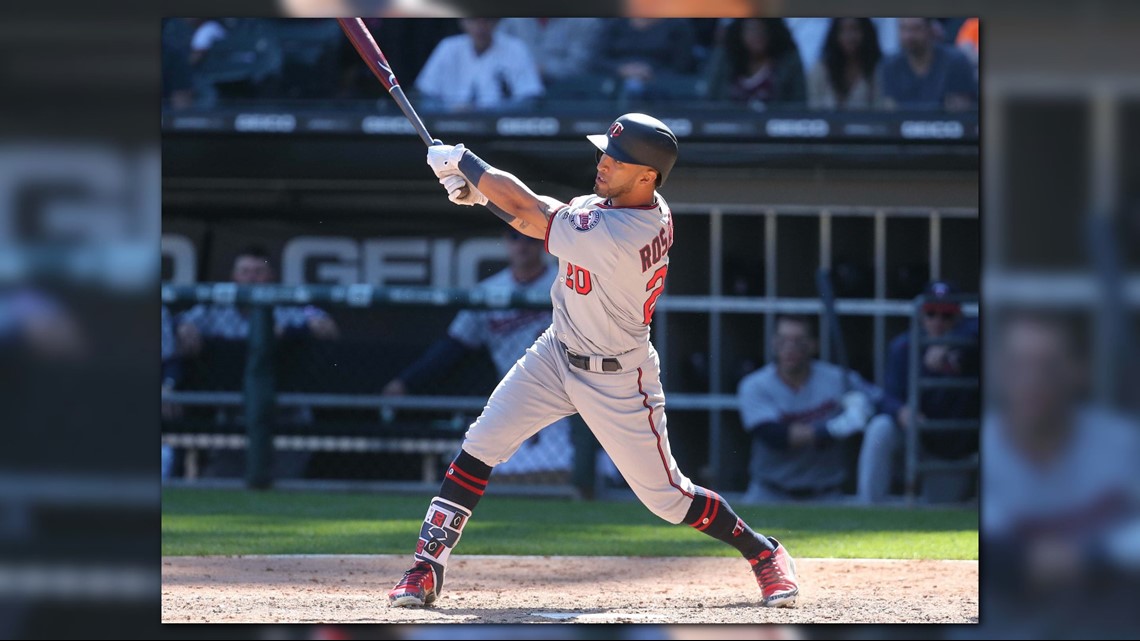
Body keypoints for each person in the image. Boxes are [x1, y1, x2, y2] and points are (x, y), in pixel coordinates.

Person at [387, 113, 799, 609]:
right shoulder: (619, 204)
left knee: (668, 499)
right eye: (606, 152)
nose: (604, 162)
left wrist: (467, 164)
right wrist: (479, 195)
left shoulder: (625, 229)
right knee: (480, 443)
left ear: (647, 176)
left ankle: (764, 553)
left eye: (619, 160)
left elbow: (538, 214)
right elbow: (537, 219)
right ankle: (426, 566)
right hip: (557, 352)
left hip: (619, 376)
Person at [983, 312, 1140, 636]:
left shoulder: (1122, 443)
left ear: (1078, 371)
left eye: (1048, 366)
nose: (1033, 380)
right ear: (1000, 372)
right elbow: (1010, 563)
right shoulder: (981, 451)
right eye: (1019, 366)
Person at [381, 231, 575, 479]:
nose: (523, 246)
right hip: (517, 391)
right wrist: (405, 383)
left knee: (569, 471)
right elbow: (452, 346)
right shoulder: (489, 290)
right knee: (485, 468)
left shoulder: (564, 284)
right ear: (506, 242)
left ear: (543, 244)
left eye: (531, 239)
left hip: (566, 390)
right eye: (515, 238)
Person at [736, 314, 896, 504]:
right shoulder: (755, 385)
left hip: (826, 493)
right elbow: (775, 436)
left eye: (798, 341)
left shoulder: (836, 378)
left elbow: (881, 400)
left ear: (813, 345)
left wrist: (864, 409)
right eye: (783, 340)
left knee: (883, 424)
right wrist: (835, 428)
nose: (789, 348)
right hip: (769, 492)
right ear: (773, 343)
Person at [882, 280, 979, 502]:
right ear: (921, 316)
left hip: (951, 449)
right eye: (931, 314)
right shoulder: (903, 346)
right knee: (881, 428)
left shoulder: (971, 343)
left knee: (939, 507)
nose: (937, 322)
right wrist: (901, 411)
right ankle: (869, 506)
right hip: (916, 436)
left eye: (946, 316)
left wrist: (955, 344)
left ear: (958, 318)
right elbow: (887, 396)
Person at [175, 245, 339, 353]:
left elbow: (326, 327)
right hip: (223, 388)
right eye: (245, 272)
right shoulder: (214, 310)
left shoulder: (287, 308)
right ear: (234, 277)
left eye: (259, 271)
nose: (251, 278)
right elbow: (177, 321)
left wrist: (292, 332)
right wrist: (182, 326)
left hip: (281, 384)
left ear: (271, 276)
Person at [414, 18, 543, 112]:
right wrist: (449, 109)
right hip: (450, 127)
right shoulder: (448, 47)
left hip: (500, 131)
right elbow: (424, 96)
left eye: (486, 20)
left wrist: (490, 111)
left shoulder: (515, 48)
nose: (480, 27)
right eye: (474, 20)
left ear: (496, 22)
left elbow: (529, 100)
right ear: (462, 22)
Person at [878, 17, 977, 111]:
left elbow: (963, 111)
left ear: (930, 30)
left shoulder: (956, 62)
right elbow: (889, 111)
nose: (909, 36)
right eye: (903, 29)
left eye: (916, 29)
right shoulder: (890, 65)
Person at [593, 18, 696, 102]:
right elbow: (596, 60)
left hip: (660, 87)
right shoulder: (615, 23)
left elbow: (682, 65)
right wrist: (622, 69)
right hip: (614, 83)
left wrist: (650, 75)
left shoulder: (677, 25)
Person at [716, 18, 806, 108]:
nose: (757, 35)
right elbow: (711, 102)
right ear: (739, 32)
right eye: (751, 29)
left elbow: (799, 107)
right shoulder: (727, 63)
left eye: (761, 29)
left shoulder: (788, 64)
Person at [495, 19, 602, 85]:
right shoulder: (513, 22)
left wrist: (544, 69)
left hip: (567, 93)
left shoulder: (585, 22)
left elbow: (580, 67)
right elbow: (495, 56)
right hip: (517, 90)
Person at [807, 18, 883, 110]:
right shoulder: (820, 70)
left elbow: (882, 111)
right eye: (843, 30)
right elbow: (812, 111)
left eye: (854, 29)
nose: (849, 36)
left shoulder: (877, 70)